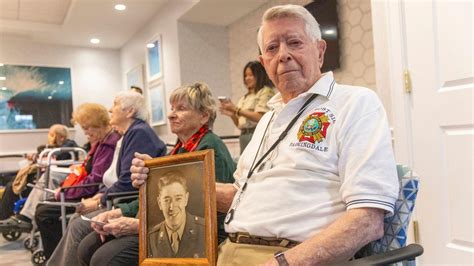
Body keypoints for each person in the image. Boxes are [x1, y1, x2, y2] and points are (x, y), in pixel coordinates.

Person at [138, 5, 399, 265]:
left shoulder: (355, 103)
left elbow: (368, 219)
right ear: (264, 63)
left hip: (294, 257)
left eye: (294, 42)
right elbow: (237, 196)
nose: (283, 55)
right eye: (272, 48)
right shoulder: (267, 120)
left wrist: (283, 263)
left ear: (320, 51)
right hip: (228, 251)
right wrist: (160, 177)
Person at [76, 82, 235, 266]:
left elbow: (201, 211)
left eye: (181, 109)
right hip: (168, 225)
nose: (170, 114)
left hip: (199, 235)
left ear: (203, 116)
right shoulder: (179, 150)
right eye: (172, 108)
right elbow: (157, 197)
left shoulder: (210, 149)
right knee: (88, 246)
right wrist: (119, 212)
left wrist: (139, 226)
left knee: (106, 258)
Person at [40, 91, 167, 264]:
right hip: (113, 198)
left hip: (123, 200)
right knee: (77, 222)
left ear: (129, 111)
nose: (110, 109)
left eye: (114, 104)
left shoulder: (138, 133)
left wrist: (99, 201)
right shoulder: (130, 133)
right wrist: (100, 197)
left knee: (78, 225)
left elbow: (127, 182)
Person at [0, 124, 78, 225]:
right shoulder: (48, 147)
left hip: (53, 178)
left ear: (61, 137)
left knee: (12, 186)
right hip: (41, 175)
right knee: (10, 180)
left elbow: (54, 156)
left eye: (51, 134)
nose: (49, 137)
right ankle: (5, 216)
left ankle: (5, 216)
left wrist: (39, 157)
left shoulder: (69, 144)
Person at [219, 61, 275, 153]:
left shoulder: (265, 92)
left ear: (259, 75)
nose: (247, 78)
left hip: (258, 134)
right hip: (244, 136)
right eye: (245, 76)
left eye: (250, 75)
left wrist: (236, 110)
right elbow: (239, 124)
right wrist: (232, 114)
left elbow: (261, 117)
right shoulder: (244, 98)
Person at [148, 170, 205, 258]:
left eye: (178, 199)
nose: (172, 207)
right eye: (166, 200)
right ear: (159, 203)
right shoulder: (151, 237)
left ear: (186, 199)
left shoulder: (204, 229)